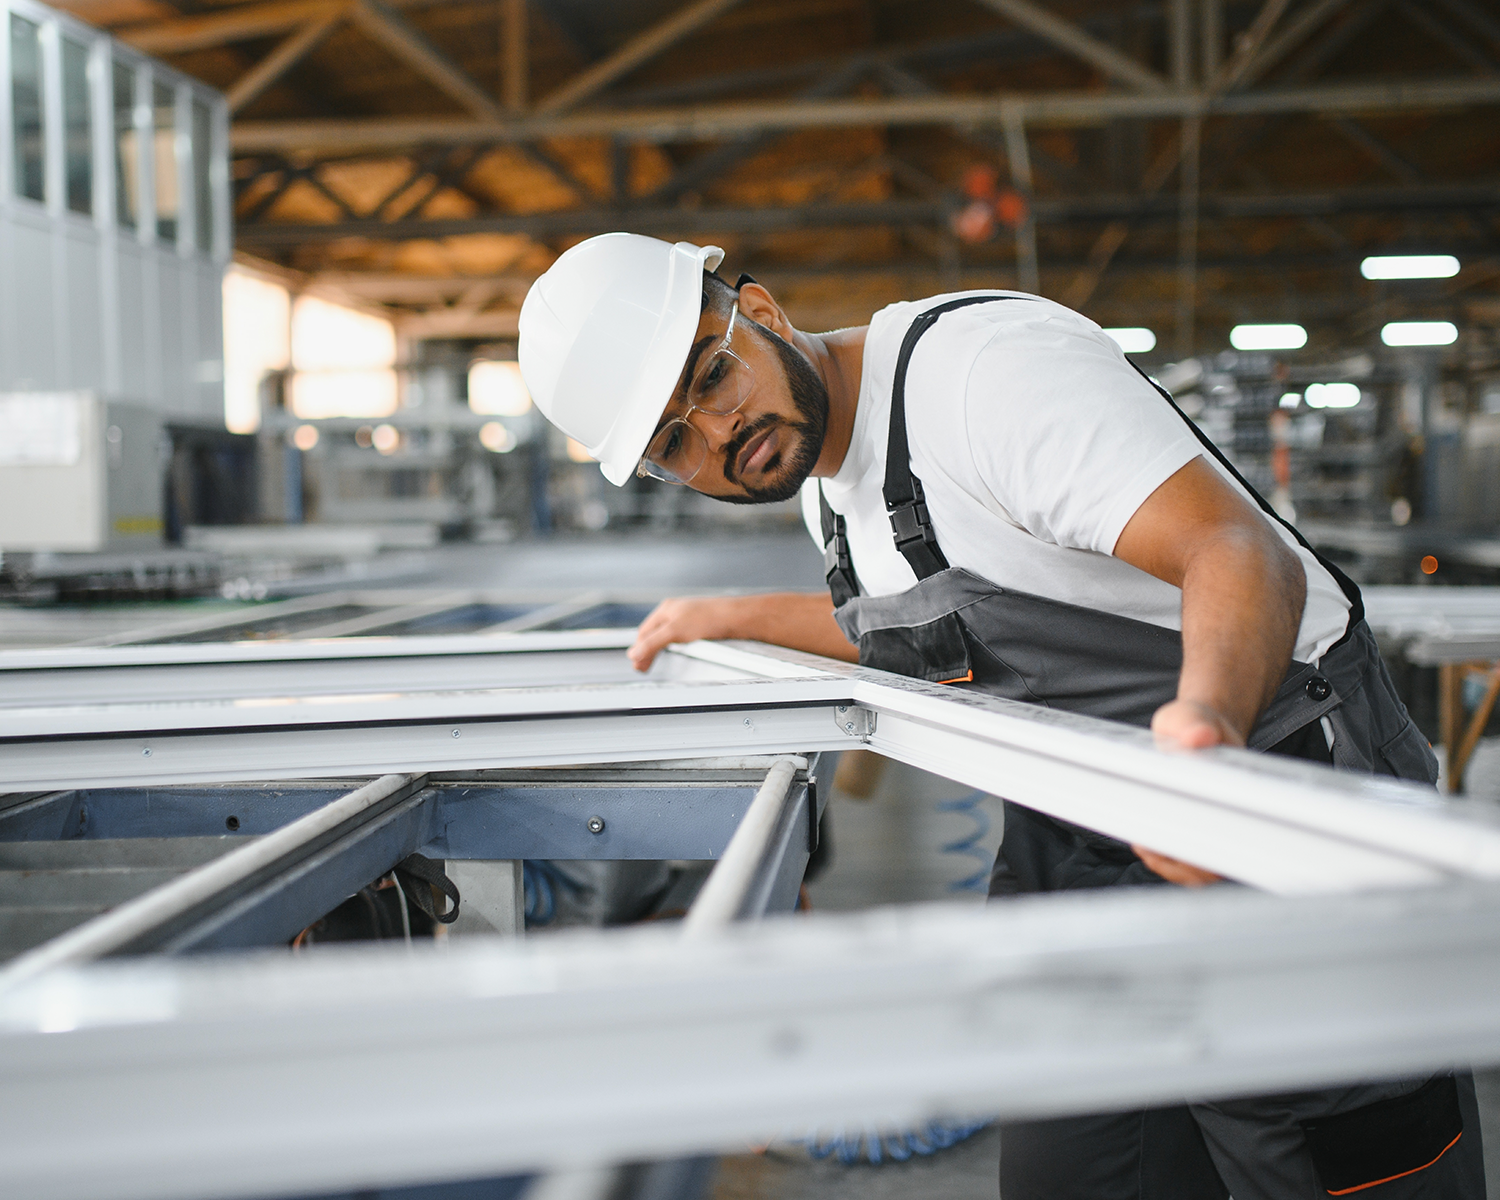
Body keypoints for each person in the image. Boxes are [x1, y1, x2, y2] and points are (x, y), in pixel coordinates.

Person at [517, 232, 1483, 1199]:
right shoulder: (828, 493)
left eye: (712, 376)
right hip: (1085, 823)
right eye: (672, 444)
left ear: (759, 311)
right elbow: (924, 630)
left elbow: (1233, 549)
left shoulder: (983, 380)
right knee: (1080, 1171)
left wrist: (1206, 735)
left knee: (1321, 1158)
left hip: (1271, 772)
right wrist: (727, 618)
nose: (716, 432)